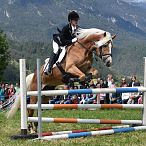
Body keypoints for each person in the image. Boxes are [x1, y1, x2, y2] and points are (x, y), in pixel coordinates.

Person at [45, 11, 80, 75]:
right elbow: (63, 41)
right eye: (75, 20)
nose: (76, 21)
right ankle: (49, 68)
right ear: (70, 20)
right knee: (56, 51)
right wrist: (72, 40)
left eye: (77, 20)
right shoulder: (66, 28)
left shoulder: (77, 28)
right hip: (58, 41)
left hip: (65, 43)